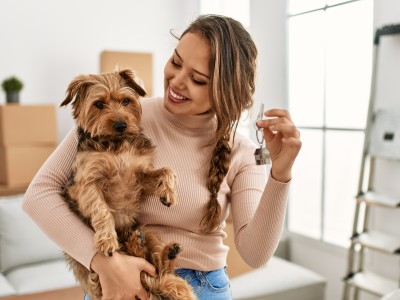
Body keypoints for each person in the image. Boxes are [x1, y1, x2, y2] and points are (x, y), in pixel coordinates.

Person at [23, 14, 301, 300]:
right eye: (176, 62)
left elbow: (256, 255)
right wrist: (103, 262)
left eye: (197, 79)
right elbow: (39, 194)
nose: (177, 81)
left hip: (200, 289)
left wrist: (280, 174)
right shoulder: (122, 117)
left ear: (226, 92)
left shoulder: (241, 152)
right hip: (117, 281)